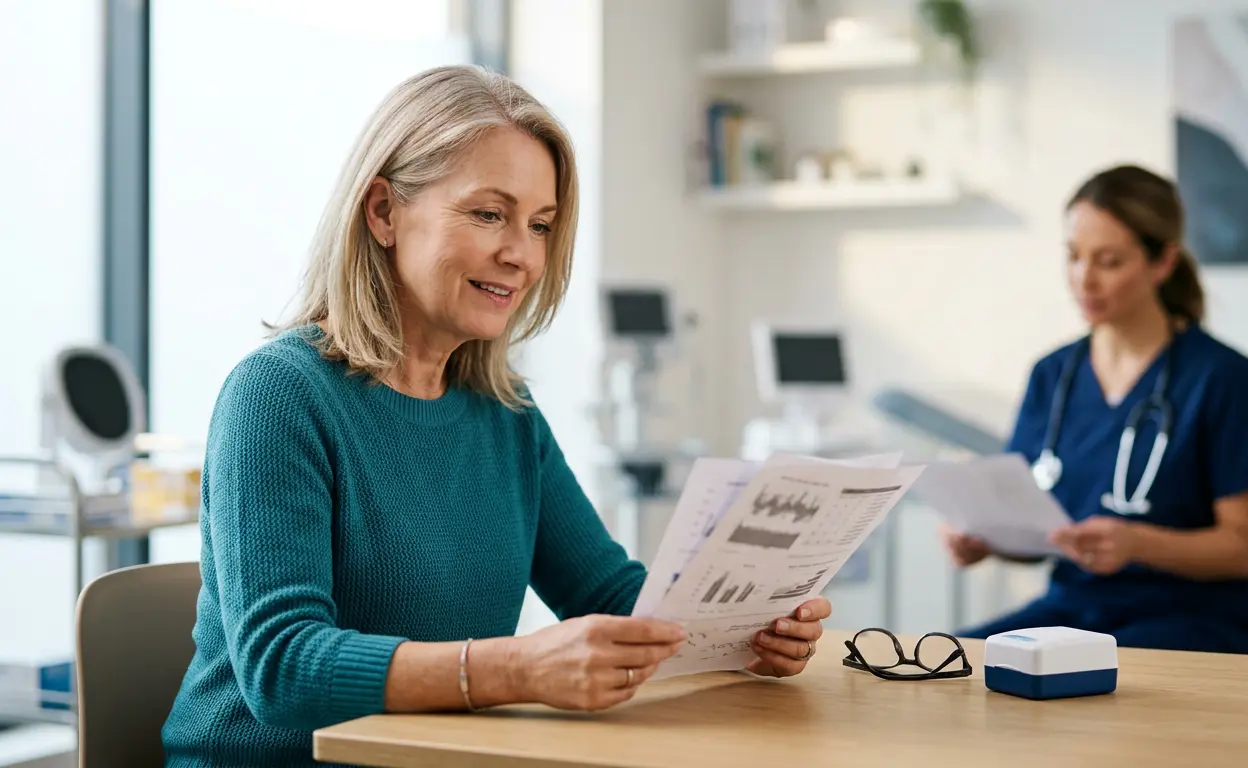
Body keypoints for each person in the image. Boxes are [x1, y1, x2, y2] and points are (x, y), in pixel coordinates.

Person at [161, 65, 831, 767]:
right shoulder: (278, 397)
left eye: (540, 225)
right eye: (489, 214)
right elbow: (282, 667)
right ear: (384, 212)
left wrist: (740, 632)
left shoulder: (504, 412)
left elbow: (605, 593)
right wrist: (518, 668)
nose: (521, 254)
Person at [940, 164, 1248, 655]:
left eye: (1109, 261)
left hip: (1194, 624)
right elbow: (1036, 527)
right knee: (941, 666)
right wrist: (987, 540)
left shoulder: (1222, 378)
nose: (1085, 280)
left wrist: (1138, 543)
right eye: (1074, 257)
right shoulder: (1052, 375)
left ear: (1163, 262)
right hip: (1071, 615)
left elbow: (1245, 550)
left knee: (1087, 697)